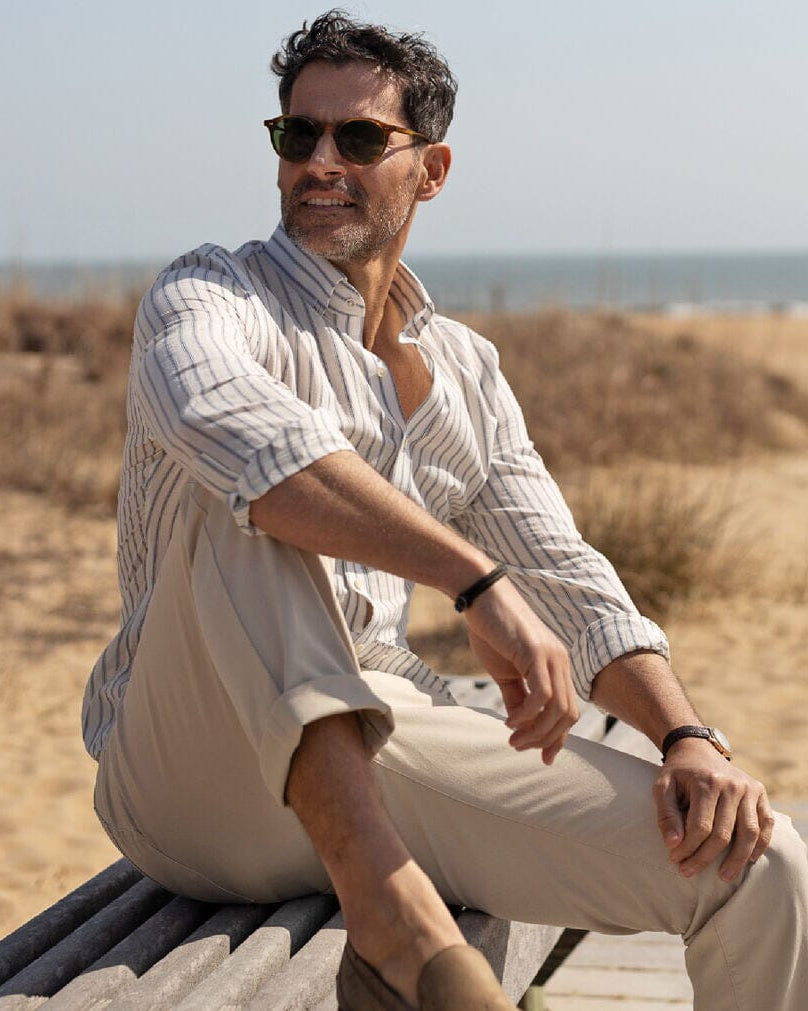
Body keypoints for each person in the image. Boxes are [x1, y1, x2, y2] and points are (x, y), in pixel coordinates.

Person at [83, 9, 807, 1009]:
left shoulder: (462, 370)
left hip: (377, 736)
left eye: (360, 138)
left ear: (431, 169)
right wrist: (471, 581)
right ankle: (396, 924)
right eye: (299, 134)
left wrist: (686, 737)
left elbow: (562, 572)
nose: (320, 161)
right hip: (188, 770)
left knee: (759, 865)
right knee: (248, 495)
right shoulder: (210, 295)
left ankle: (394, 912)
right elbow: (247, 440)